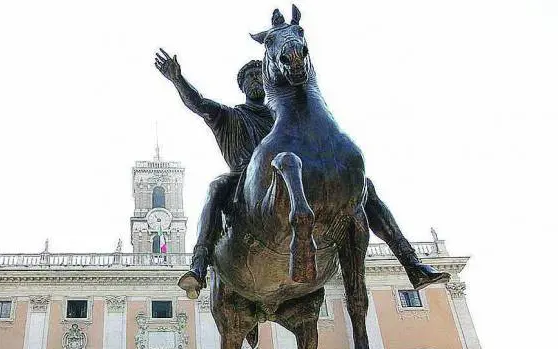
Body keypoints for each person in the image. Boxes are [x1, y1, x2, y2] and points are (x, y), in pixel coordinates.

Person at [155, 49, 449, 300]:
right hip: (247, 180)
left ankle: (411, 262)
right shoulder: (230, 116)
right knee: (215, 187)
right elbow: (199, 104)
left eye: (259, 75)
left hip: (298, 177)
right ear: (242, 86)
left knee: (363, 186)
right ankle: (199, 264)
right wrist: (177, 79)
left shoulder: (286, 117)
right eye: (249, 78)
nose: (256, 80)